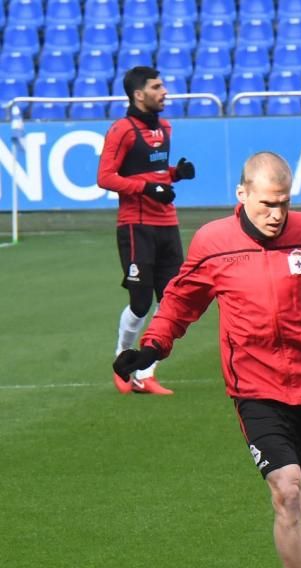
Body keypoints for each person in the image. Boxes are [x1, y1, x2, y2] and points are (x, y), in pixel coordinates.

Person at [113, 152, 301, 568]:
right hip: (255, 389)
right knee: (286, 493)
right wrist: (151, 347)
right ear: (242, 195)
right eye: (268, 203)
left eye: (284, 204)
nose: (276, 214)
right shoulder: (213, 243)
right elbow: (182, 300)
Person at [97, 65, 196, 396]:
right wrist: (147, 189)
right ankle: (121, 360)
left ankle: (145, 372)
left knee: (172, 302)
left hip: (168, 225)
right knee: (140, 303)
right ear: (139, 95)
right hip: (136, 226)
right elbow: (106, 177)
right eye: (157, 86)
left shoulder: (165, 127)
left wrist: (174, 174)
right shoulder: (121, 131)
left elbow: (153, 172)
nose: (165, 91)